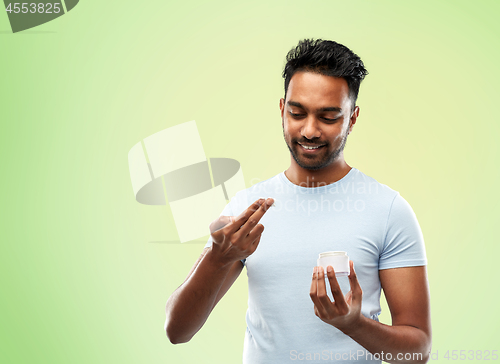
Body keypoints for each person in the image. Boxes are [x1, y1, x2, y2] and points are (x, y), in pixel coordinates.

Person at [164, 39, 431, 364]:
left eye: (329, 117)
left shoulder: (388, 210)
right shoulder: (246, 210)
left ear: (353, 117)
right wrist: (217, 260)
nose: (309, 130)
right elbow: (177, 331)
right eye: (297, 112)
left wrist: (353, 325)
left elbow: (417, 350)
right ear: (282, 109)